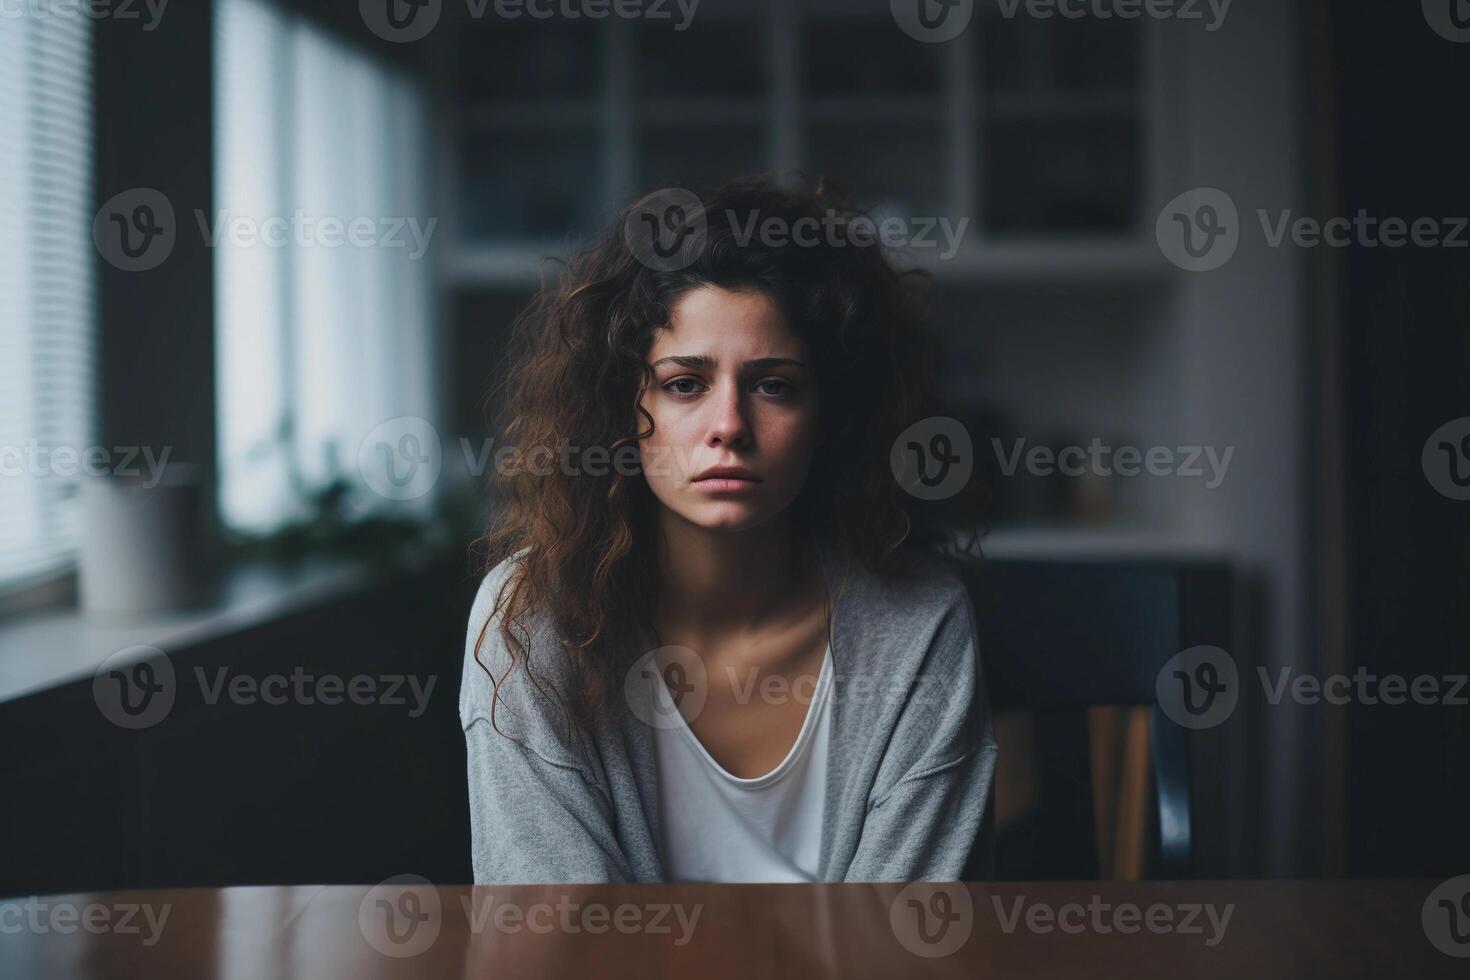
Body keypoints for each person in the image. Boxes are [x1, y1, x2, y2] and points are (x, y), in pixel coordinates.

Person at [459, 175, 996, 883]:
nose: (730, 428)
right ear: (623, 409)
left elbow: (907, 944)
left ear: (829, 416)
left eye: (774, 384)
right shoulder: (532, 622)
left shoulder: (919, 625)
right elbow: (557, 937)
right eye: (685, 384)